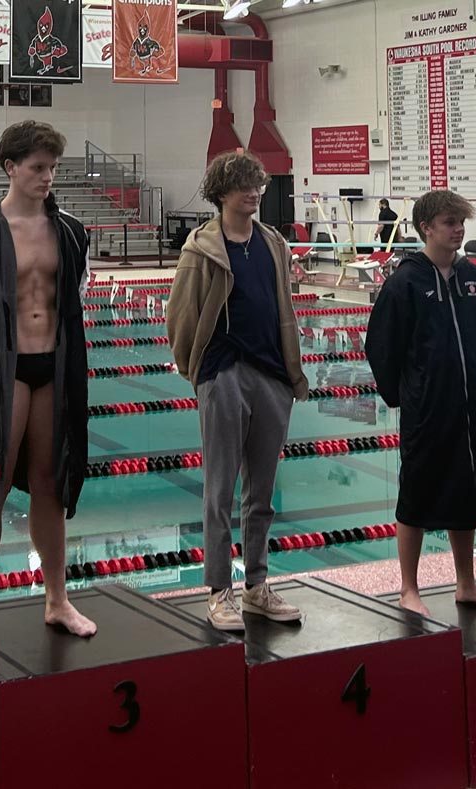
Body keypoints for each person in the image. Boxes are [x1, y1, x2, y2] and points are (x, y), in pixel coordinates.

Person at [0, 120, 96, 646]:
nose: (47, 176)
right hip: (2, 374)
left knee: (51, 484)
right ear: (11, 168)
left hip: (52, 369)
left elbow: (73, 295)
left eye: (52, 167)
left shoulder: (71, 230)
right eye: (37, 167)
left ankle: (58, 600)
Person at [166, 152, 310, 629]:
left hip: (271, 373)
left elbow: (283, 307)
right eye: (244, 186)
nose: (254, 193)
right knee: (220, 488)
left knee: (263, 492)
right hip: (223, 372)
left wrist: (289, 371)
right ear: (222, 193)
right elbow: (180, 317)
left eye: (258, 185)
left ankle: (257, 587)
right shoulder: (201, 248)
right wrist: (201, 370)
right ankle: (218, 590)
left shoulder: (273, 243)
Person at [366, 190, 476, 616]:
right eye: (449, 222)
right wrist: (406, 395)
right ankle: (409, 588)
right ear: (426, 227)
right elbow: (380, 347)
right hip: (428, 408)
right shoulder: (405, 283)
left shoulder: (474, 280)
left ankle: (467, 584)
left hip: (473, 407)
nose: (458, 229)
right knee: (417, 492)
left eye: (461, 222)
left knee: (468, 492)